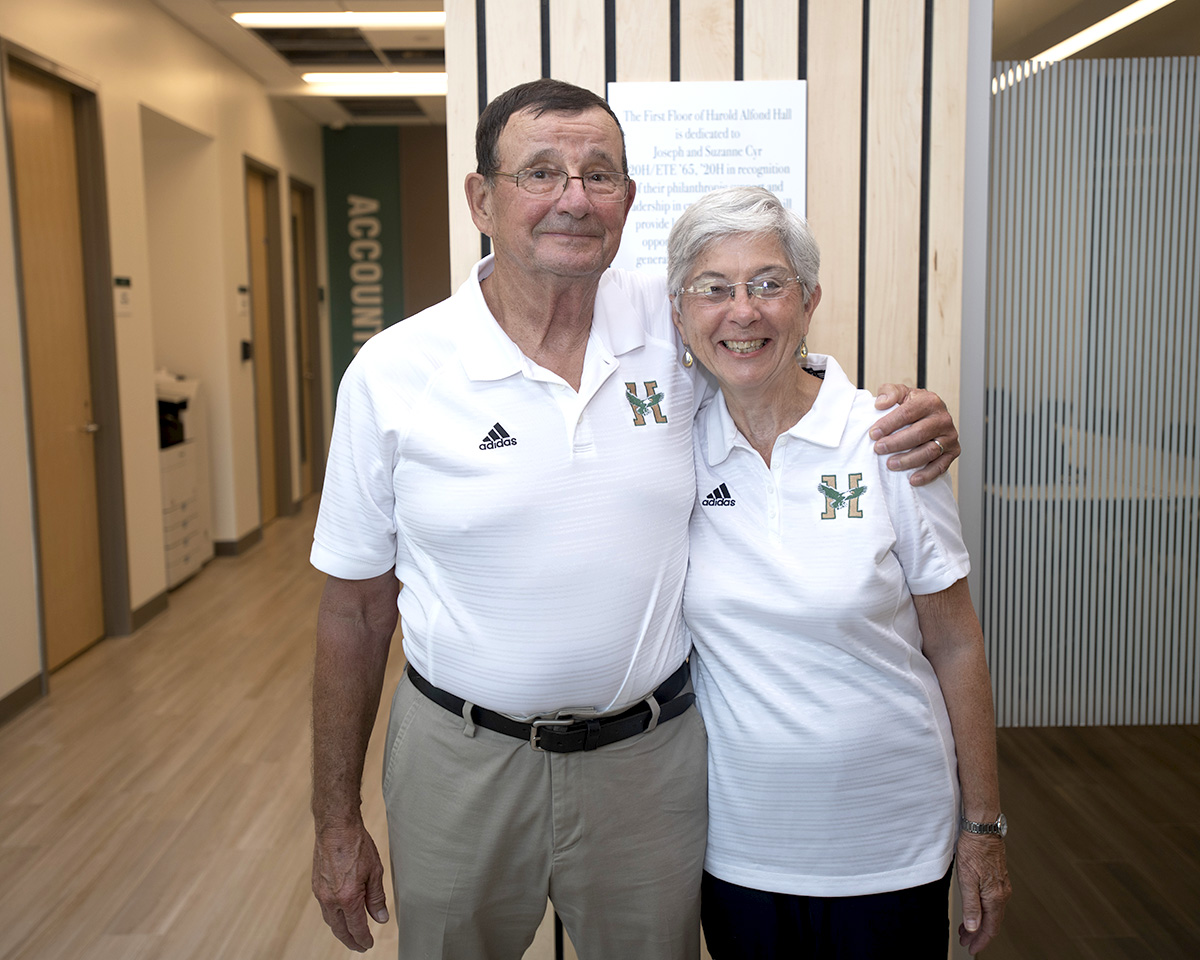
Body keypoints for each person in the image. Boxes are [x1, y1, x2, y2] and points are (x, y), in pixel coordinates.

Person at [308, 79, 960, 960]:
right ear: (481, 199)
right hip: (460, 758)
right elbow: (352, 612)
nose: (572, 197)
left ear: (627, 202)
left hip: (646, 762)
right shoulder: (394, 373)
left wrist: (908, 414)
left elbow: (765, 342)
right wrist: (335, 820)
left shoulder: (671, 319)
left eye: (598, 174)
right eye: (540, 172)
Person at [666, 185, 1010, 958]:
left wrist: (983, 827)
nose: (742, 312)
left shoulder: (890, 439)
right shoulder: (669, 450)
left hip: (892, 843)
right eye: (713, 289)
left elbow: (956, 643)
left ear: (810, 299)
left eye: (768, 284)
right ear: (682, 313)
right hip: (739, 849)